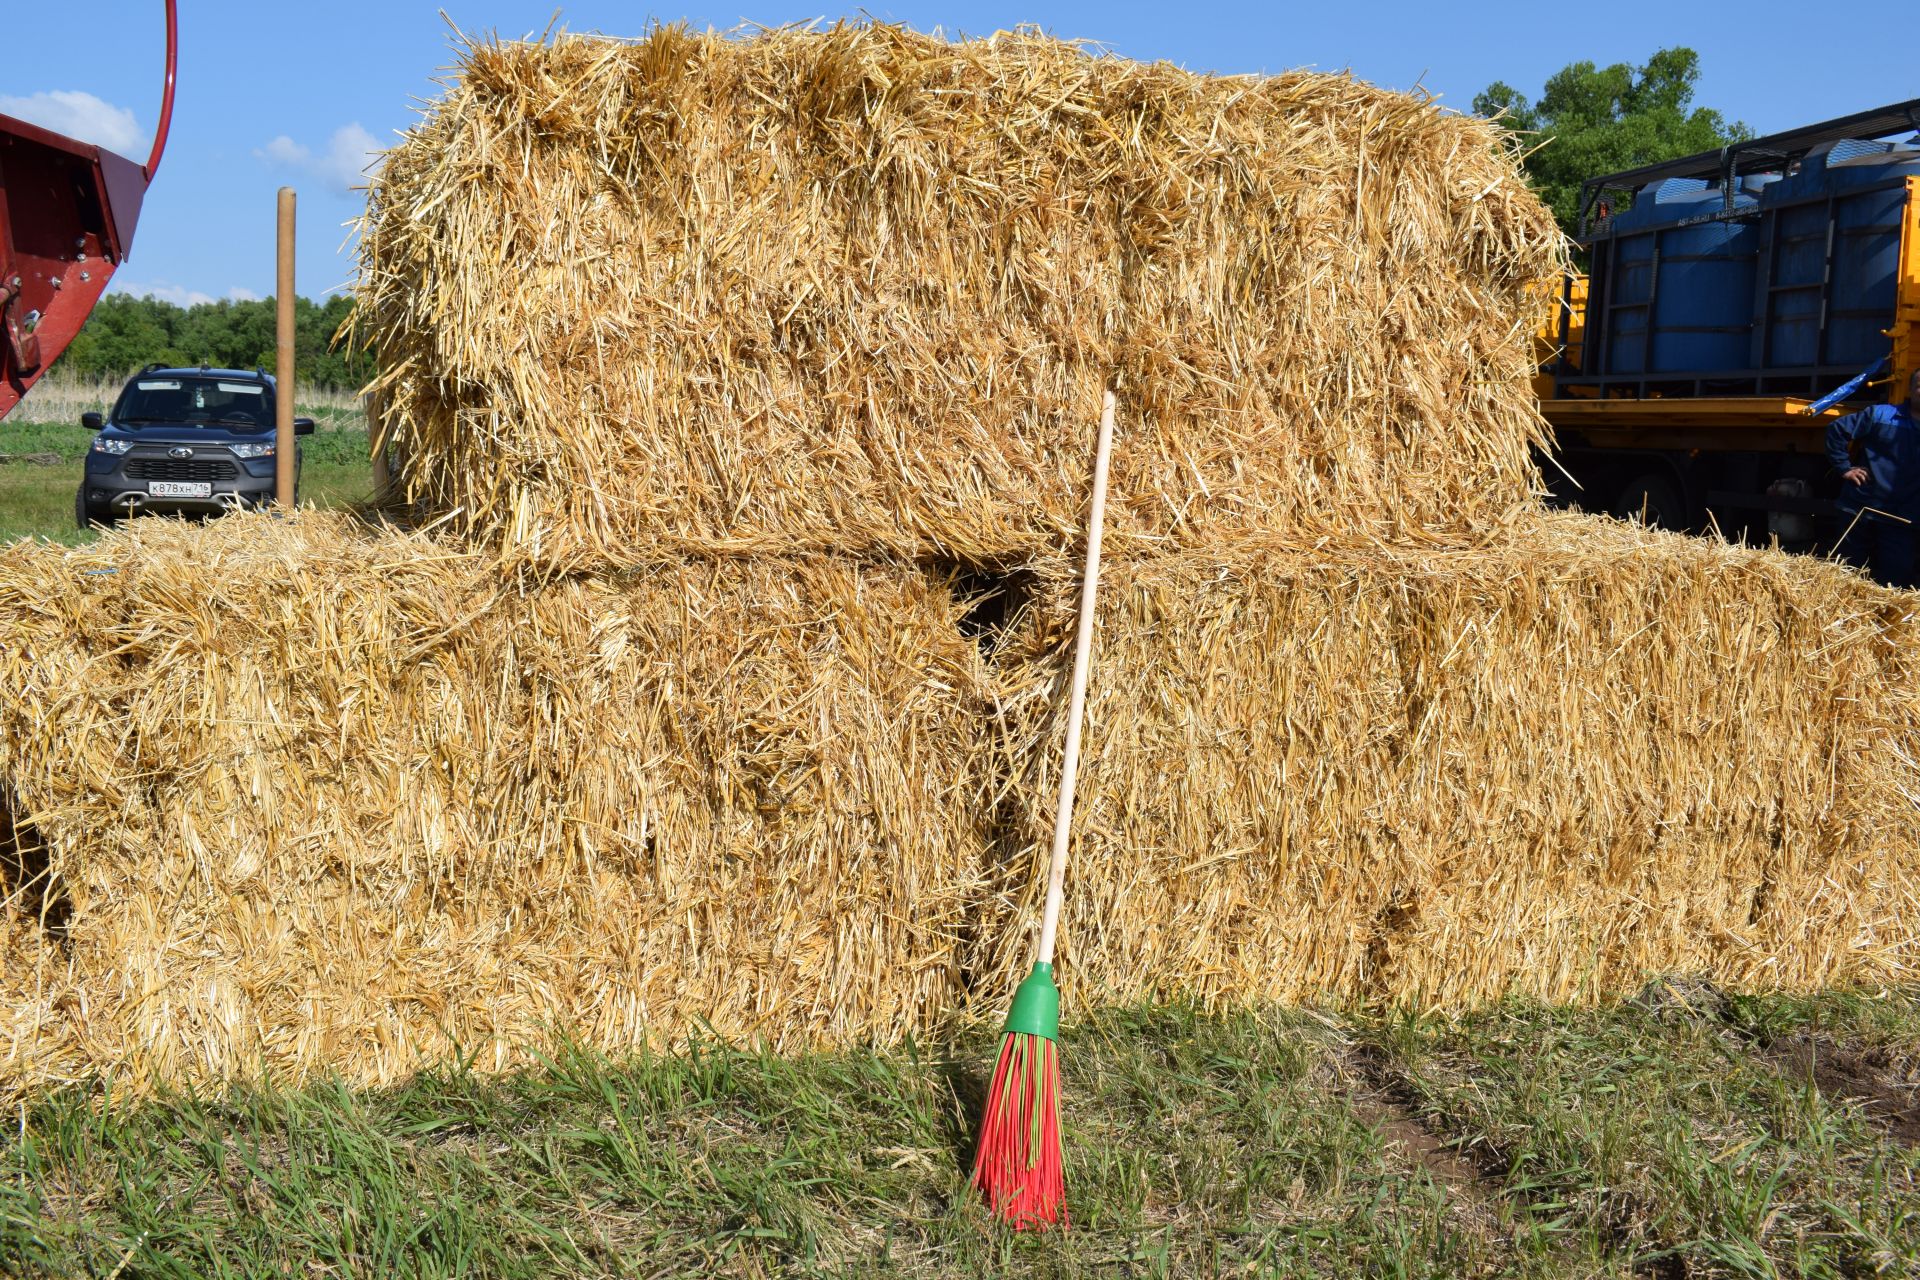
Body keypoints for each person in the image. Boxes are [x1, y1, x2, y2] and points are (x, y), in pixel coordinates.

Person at [1827, 367, 1920, 588]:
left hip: (1904, 518)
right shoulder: (1880, 415)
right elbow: (1837, 429)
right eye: (1919, 385)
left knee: (1898, 581)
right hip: (1861, 510)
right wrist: (1844, 467)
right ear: (1911, 389)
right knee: (1846, 574)